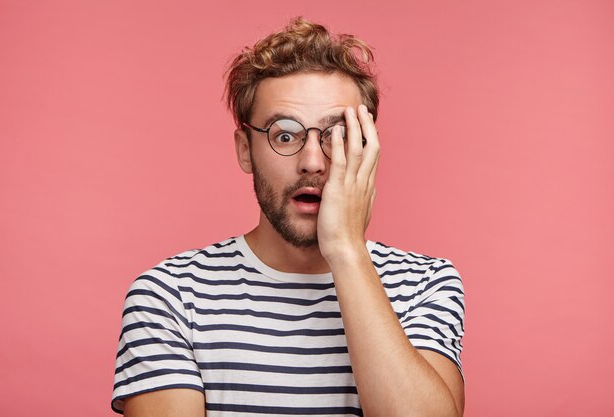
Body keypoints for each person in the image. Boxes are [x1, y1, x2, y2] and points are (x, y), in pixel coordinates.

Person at [112, 17, 465, 417]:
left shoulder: (425, 284)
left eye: (337, 136)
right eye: (285, 135)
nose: (312, 162)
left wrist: (346, 251)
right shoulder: (170, 295)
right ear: (245, 150)